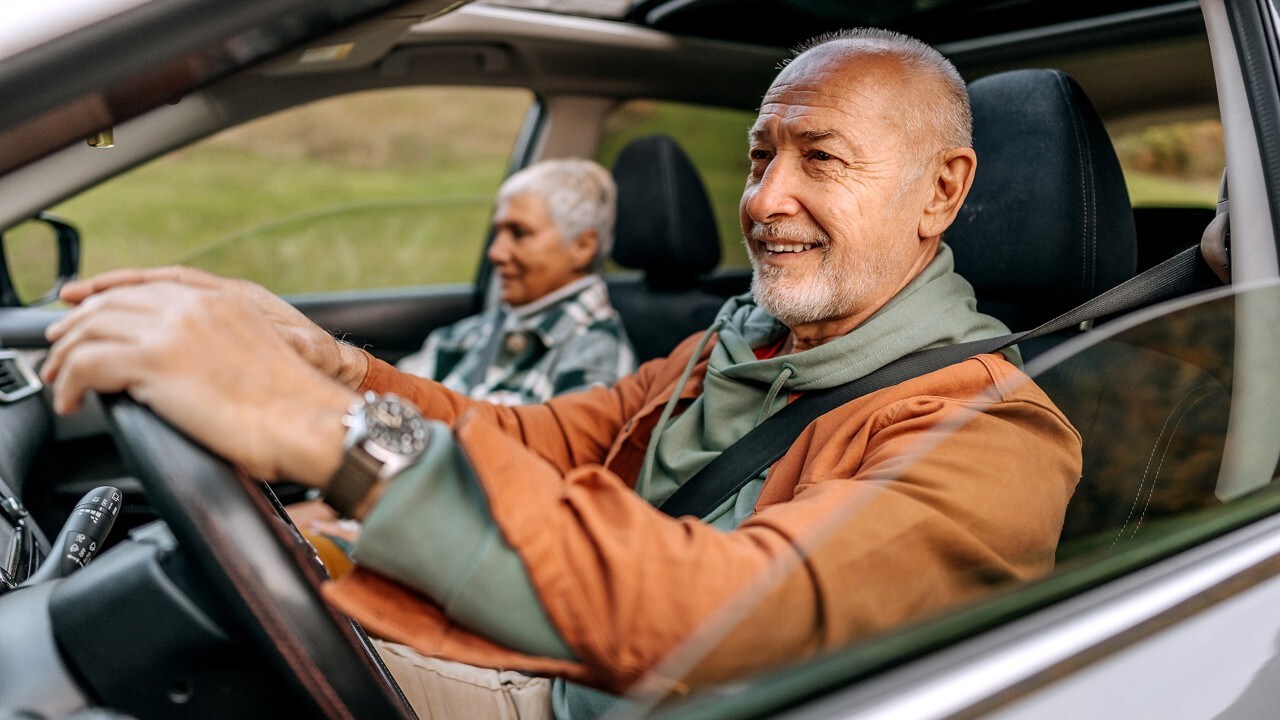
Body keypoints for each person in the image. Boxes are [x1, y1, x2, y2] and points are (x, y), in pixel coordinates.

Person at [41, 28, 1081, 719]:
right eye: (761, 156)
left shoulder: (993, 437)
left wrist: (326, 434)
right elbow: (529, 442)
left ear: (939, 192)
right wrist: (339, 372)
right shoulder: (735, 345)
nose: (765, 199)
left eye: (820, 158)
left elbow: (723, 614)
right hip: (547, 660)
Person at [396, 158, 636, 405]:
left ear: (583, 246)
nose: (495, 253)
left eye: (519, 233)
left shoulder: (597, 360)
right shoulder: (470, 334)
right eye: (497, 233)